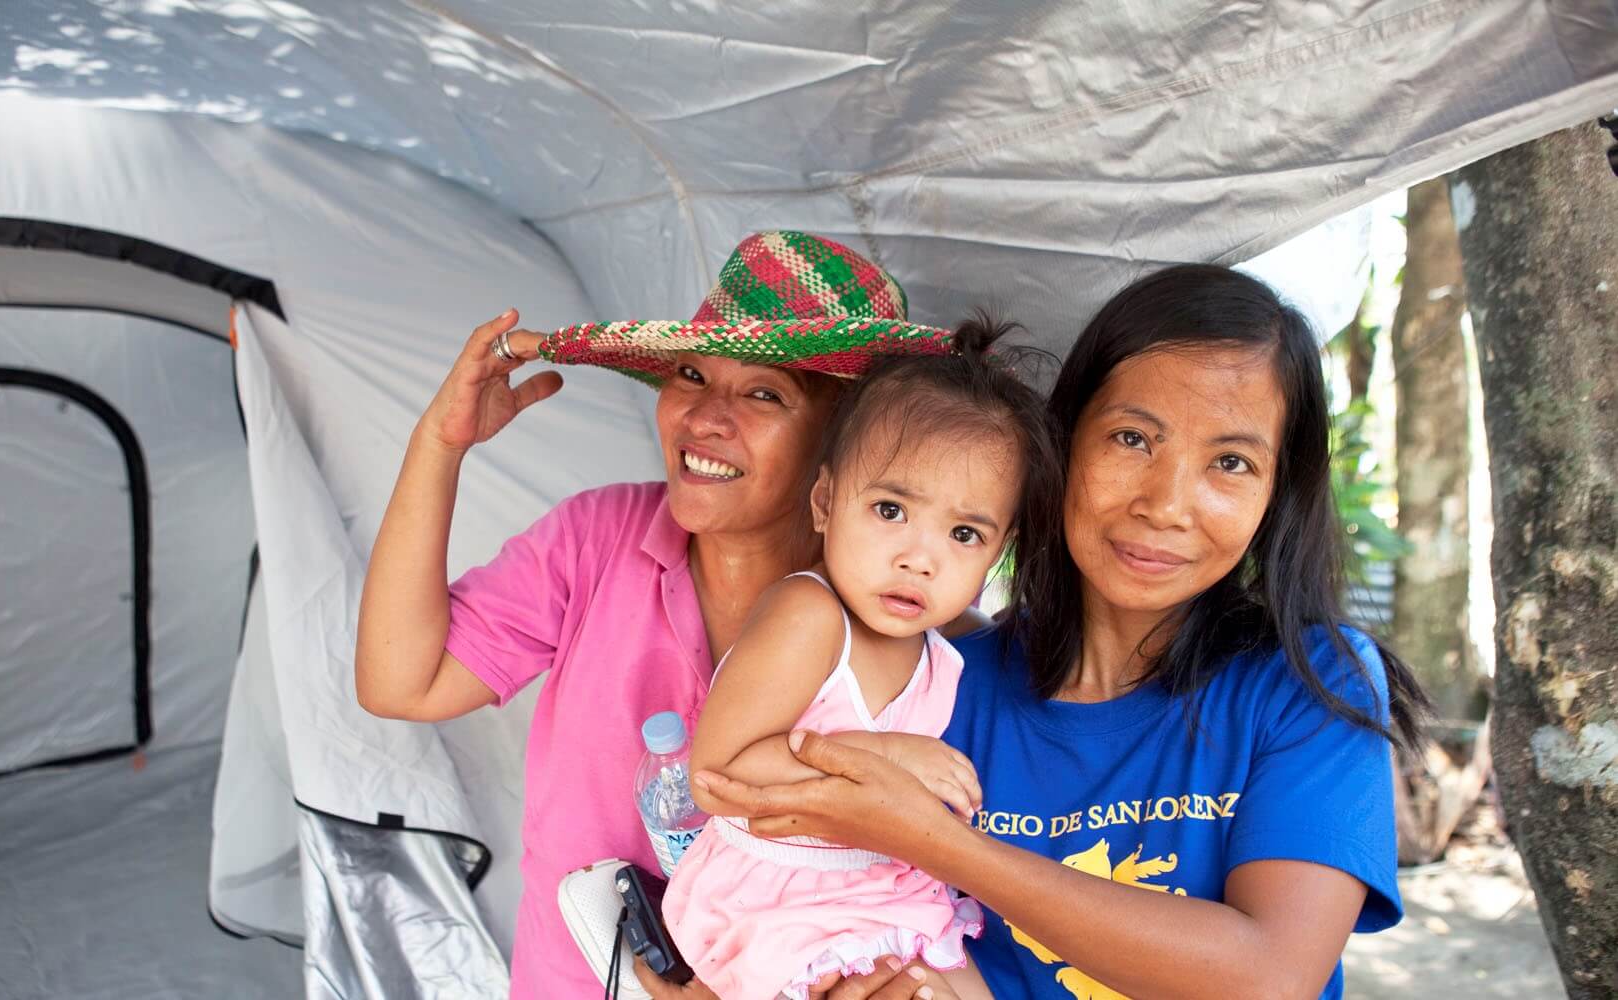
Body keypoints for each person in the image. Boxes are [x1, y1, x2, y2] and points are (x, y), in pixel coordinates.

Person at [692, 264, 1430, 1000]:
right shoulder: (943, 683)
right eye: (1133, 438)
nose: (1167, 505)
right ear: (1062, 446)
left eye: (1231, 462)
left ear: (1276, 494)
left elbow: (1270, 979)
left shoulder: (1310, 685)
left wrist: (940, 842)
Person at [354, 231, 957, 999]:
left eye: (765, 392)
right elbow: (402, 683)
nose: (704, 417)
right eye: (691, 375)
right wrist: (439, 446)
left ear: (844, 443)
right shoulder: (595, 541)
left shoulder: (899, 627)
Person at [664, 319, 1061, 1000]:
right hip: (776, 898)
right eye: (889, 510)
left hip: (877, 885)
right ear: (824, 502)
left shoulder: (942, 657)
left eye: (964, 533)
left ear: (997, 554)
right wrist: (890, 758)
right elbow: (718, 773)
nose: (919, 556)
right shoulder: (809, 616)